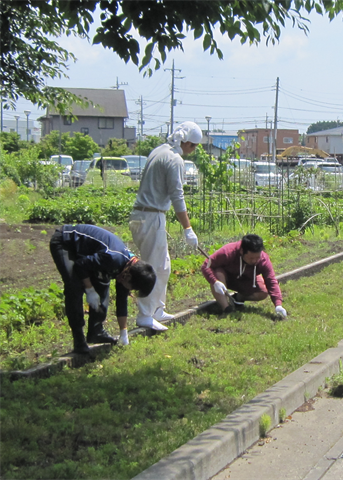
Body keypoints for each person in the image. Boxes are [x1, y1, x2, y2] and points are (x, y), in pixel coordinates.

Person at [129, 121, 202, 331]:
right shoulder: (174, 159)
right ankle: (145, 315)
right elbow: (177, 196)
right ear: (186, 142)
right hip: (151, 216)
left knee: (164, 266)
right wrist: (188, 229)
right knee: (152, 267)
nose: (193, 151)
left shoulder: (158, 151)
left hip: (143, 214)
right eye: (194, 146)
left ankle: (157, 308)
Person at [49, 224, 156, 354]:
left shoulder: (128, 269)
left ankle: (96, 331)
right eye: (132, 288)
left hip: (87, 254)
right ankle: (79, 341)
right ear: (128, 276)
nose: (130, 290)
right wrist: (89, 289)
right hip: (66, 241)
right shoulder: (113, 258)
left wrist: (124, 333)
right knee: (74, 286)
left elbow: (121, 301)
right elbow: (80, 265)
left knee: (102, 284)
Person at [200, 234, 287, 318]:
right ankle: (226, 308)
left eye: (257, 257)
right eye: (251, 258)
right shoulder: (228, 252)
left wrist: (278, 304)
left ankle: (238, 298)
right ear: (242, 251)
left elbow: (271, 280)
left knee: (263, 292)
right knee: (217, 272)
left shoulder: (264, 259)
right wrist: (214, 282)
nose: (255, 261)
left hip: (246, 280)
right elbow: (206, 265)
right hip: (225, 279)